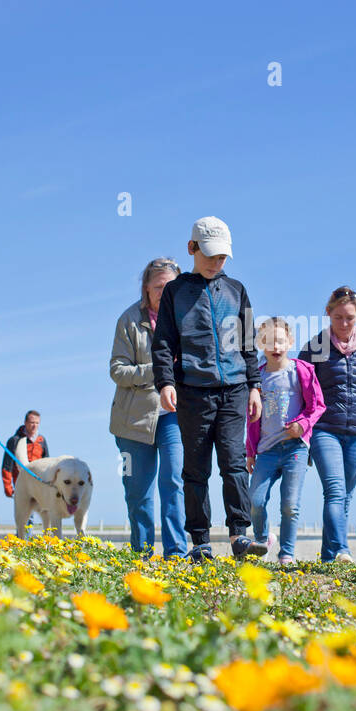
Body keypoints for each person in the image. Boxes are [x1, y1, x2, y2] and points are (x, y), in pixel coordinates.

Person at [151, 217, 266, 562]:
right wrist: (165, 383)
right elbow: (163, 342)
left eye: (223, 258)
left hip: (234, 390)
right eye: (211, 256)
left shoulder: (236, 290)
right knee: (195, 468)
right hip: (192, 391)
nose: (217, 263)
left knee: (233, 463)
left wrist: (255, 387)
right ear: (192, 248)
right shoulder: (175, 291)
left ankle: (239, 536)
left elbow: (247, 344)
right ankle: (199, 541)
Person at [110, 257, 189, 558]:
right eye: (158, 287)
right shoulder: (128, 320)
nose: (164, 292)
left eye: (170, 286)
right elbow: (117, 370)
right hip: (133, 420)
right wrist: (157, 370)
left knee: (173, 482)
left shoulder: (189, 319)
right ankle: (141, 555)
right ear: (146, 288)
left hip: (174, 415)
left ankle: (176, 554)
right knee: (138, 493)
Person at [298, 286, 356, 562]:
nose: (344, 324)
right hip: (324, 431)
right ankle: (343, 551)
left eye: (350, 318)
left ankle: (328, 557)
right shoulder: (314, 349)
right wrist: (304, 435)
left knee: (345, 497)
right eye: (338, 318)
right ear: (328, 314)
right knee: (334, 490)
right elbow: (300, 393)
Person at [246, 317, 325, 566]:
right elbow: (251, 419)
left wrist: (302, 425)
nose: (275, 347)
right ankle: (262, 540)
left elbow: (317, 406)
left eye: (280, 341)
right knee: (255, 501)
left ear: (290, 342)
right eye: (268, 342)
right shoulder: (256, 379)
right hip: (266, 451)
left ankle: (286, 553)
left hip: (295, 448)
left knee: (290, 505)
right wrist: (250, 452)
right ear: (261, 344)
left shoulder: (301, 370)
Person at [2, 410, 49, 498]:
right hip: (21, 484)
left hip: (38, 485)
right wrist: (8, 488)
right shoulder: (14, 440)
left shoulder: (42, 440)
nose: (35, 426)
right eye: (32, 423)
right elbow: (7, 466)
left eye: (37, 423)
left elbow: (47, 463)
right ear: (25, 423)